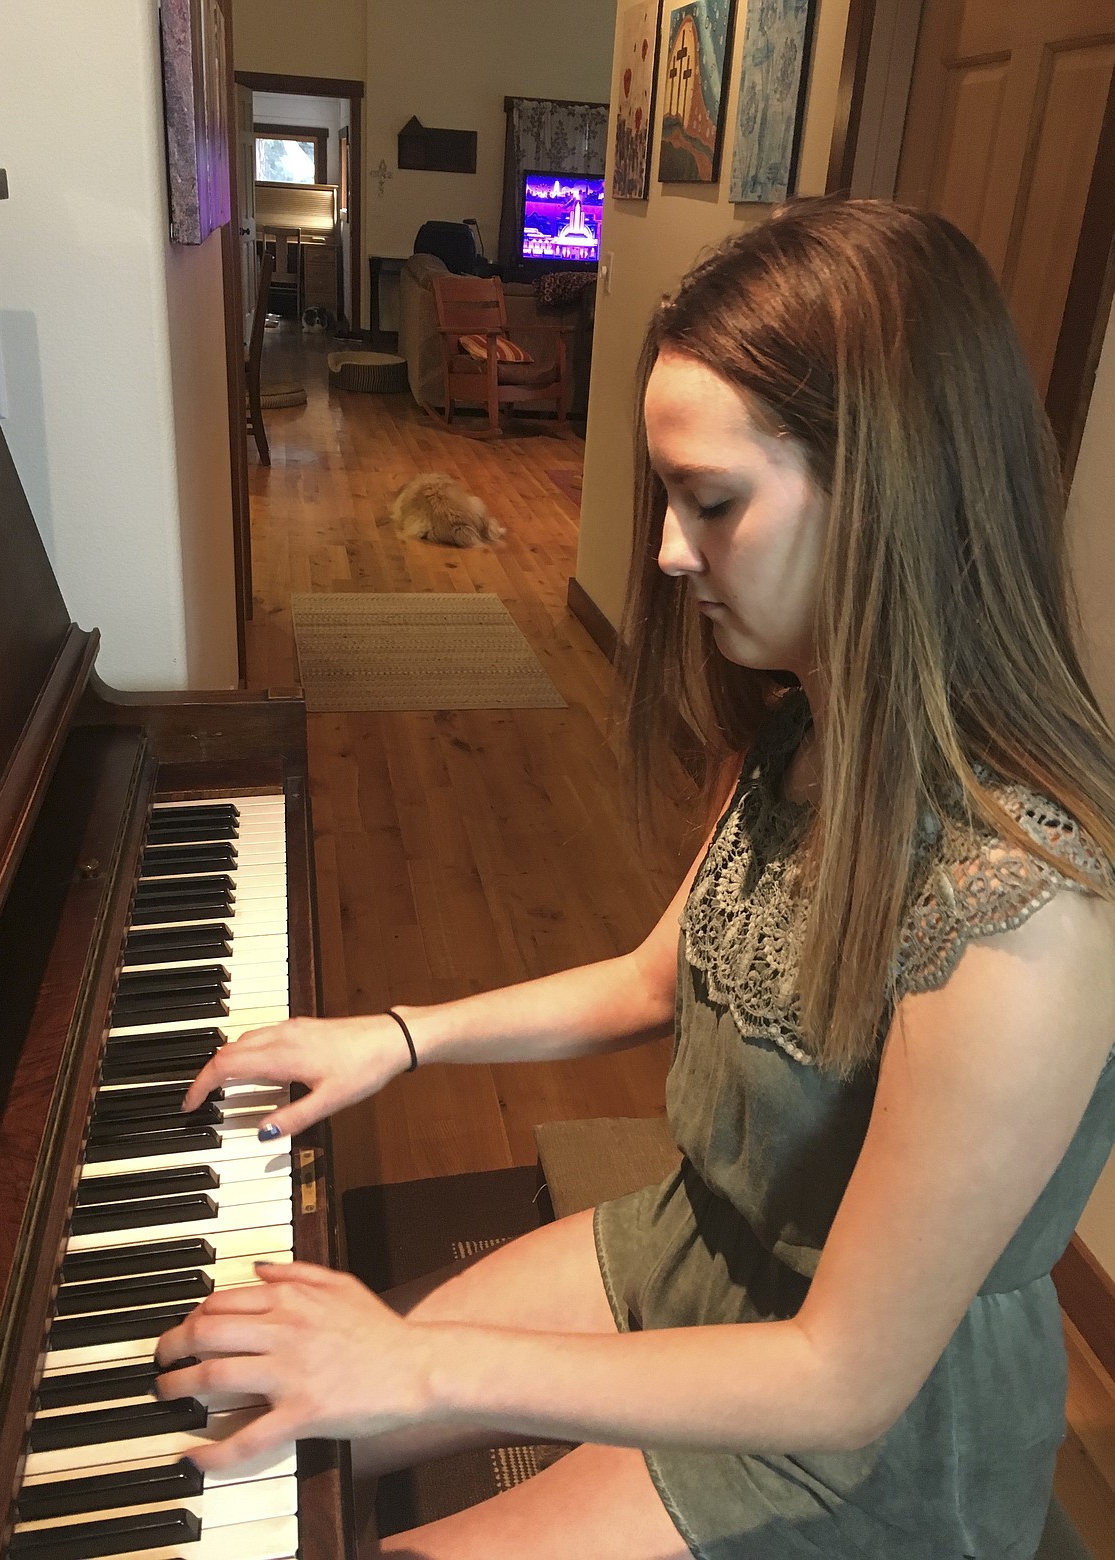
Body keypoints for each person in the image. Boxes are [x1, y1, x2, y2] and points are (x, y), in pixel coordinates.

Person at [155, 197, 1115, 1559]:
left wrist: (417, 1365)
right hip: (702, 1245)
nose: (666, 551)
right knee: (262, 1405)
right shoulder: (804, 730)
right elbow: (653, 977)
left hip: (856, 1426)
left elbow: (840, 1381)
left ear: (889, 485)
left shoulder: (1025, 908)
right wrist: (396, 1037)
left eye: (710, 501)